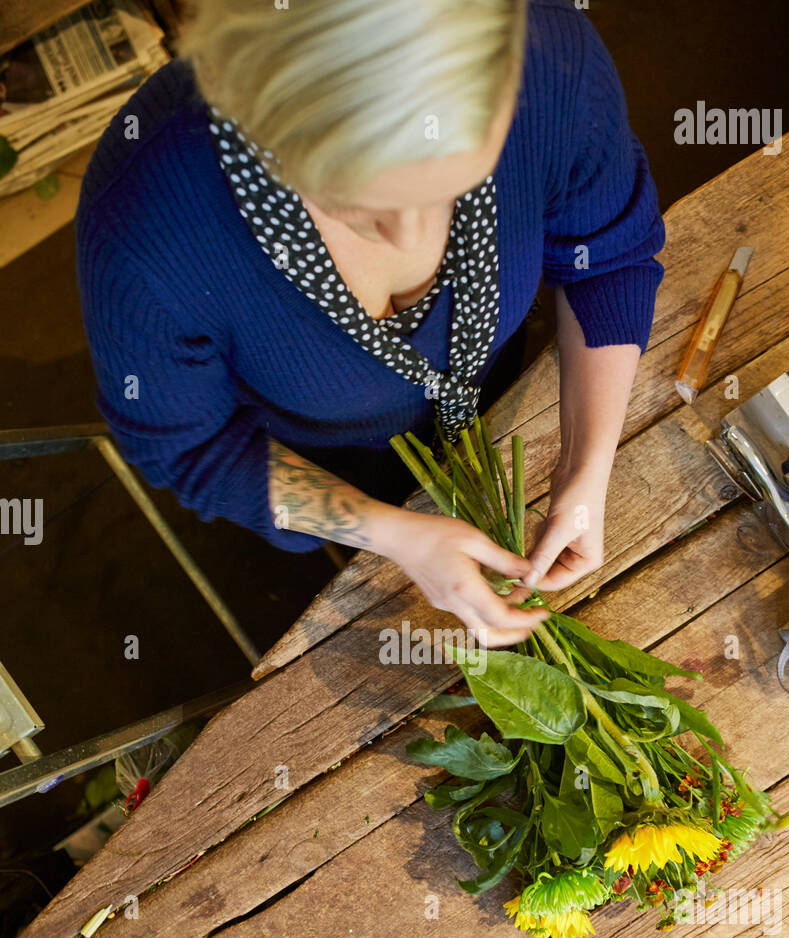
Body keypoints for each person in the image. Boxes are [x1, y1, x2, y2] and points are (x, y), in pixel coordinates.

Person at [76, 0, 664, 647]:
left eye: (453, 189)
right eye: (363, 207)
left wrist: (586, 468)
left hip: (500, 396)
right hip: (328, 462)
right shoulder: (145, 230)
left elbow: (606, 259)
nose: (416, 237)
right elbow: (190, 447)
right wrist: (391, 534)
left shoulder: (549, 58)